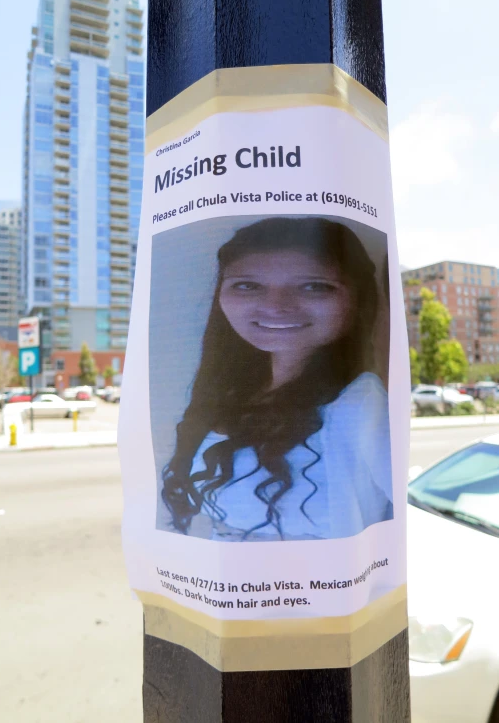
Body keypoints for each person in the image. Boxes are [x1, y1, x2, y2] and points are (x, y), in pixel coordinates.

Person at [161, 217, 392, 541]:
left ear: (357, 300)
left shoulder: (358, 403)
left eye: (314, 286)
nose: (276, 306)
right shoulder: (235, 392)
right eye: (248, 285)